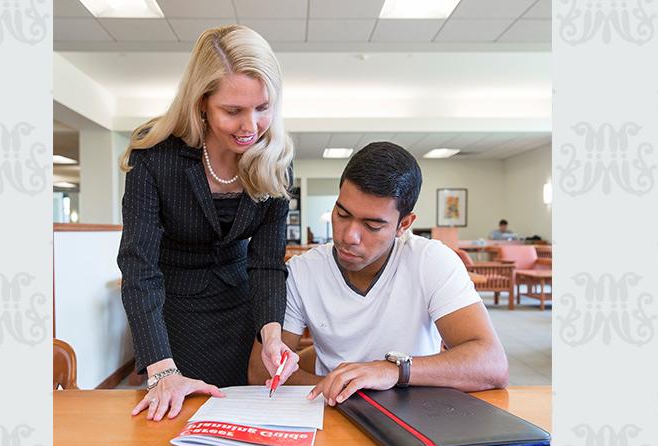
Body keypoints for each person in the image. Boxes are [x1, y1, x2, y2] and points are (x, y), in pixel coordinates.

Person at [118, 25, 299, 421]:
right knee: (178, 423)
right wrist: (162, 369)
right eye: (233, 111)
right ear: (201, 102)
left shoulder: (276, 159)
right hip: (170, 314)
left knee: (240, 420)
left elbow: (266, 262)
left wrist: (271, 334)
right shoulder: (157, 157)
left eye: (263, 108)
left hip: (240, 308)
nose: (250, 126)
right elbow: (139, 267)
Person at [248, 142, 508, 406]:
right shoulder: (303, 271)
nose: (349, 236)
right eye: (342, 214)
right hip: (334, 412)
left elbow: (493, 365)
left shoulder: (431, 261)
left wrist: (393, 370)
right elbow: (260, 373)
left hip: (417, 411)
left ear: (403, 224)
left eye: (372, 226)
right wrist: (345, 387)